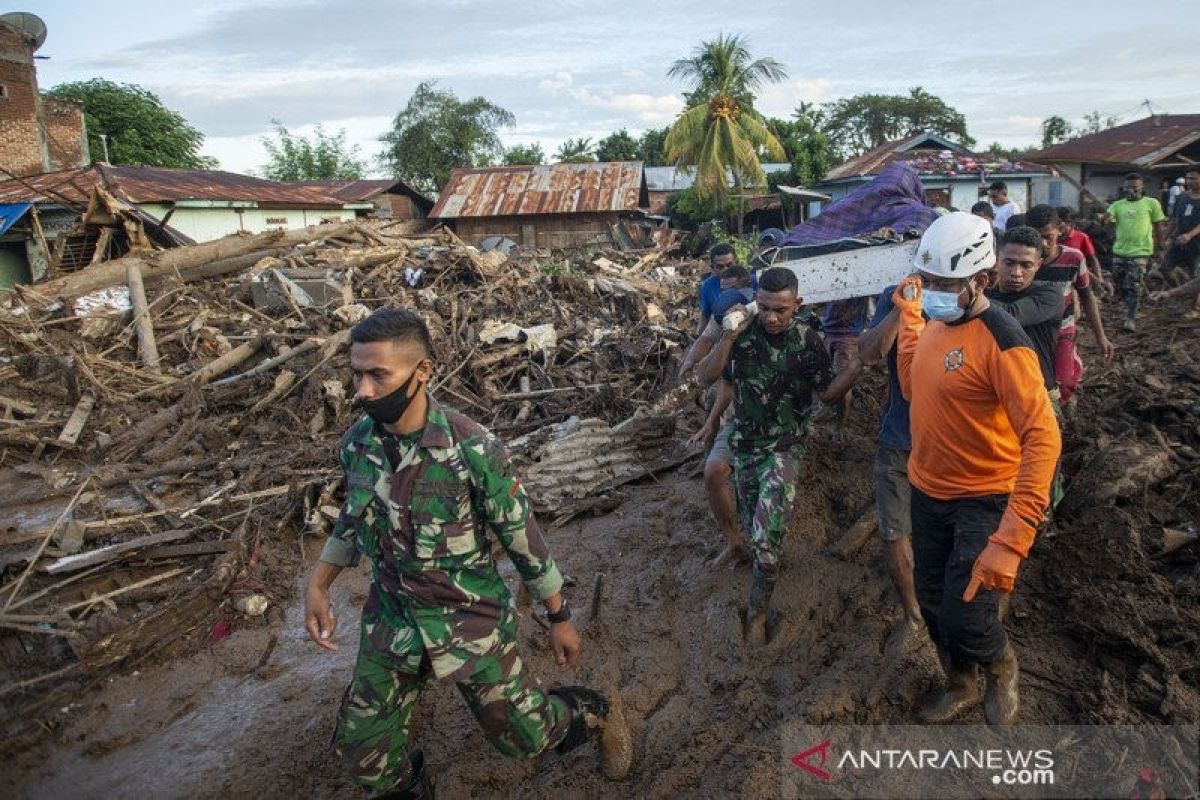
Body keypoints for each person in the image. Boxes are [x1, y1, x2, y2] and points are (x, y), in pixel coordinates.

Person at [305, 308, 626, 797]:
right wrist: (319, 583)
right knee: (363, 755)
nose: (363, 390)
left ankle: (594, 711)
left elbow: (523, 538)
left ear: (422, 372)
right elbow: (353, 522)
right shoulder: (357, 446)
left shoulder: (471, 448)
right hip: (393, 621)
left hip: (469, 620)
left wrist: (559, 615)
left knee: (526, 738)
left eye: (378, 375)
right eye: (356, 374)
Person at [893, 212, 1060, 727]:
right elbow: (912, 388)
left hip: (985, 495)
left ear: (980, 281)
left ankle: (1002, 667)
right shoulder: (936, 320)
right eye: (928, 282)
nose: (933, 292)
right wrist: (909, 321)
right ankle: (960, 681)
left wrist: (1011, 537)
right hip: (929, 491)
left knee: (971, 613)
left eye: (945, 284)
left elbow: (1042, 437)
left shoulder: (1006, 343)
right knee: (933, 603)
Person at [697, 267, 859, 645]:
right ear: (757, 302)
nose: (772, 317)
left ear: (797, 305)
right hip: (747, 444)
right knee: (754, 528)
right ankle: (748, 556)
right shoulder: (744, 335)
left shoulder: (808, 341)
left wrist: (855, 367)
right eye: (766, 307)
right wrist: (728, 336)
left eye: (781, 310)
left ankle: (757, 612)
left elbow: (828, 395)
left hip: (784, 447)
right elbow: (709, 378)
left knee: (767, 541)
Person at [857, 285, 924, 653]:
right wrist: (903, 308)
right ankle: (913, 615)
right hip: (898, 436)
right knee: (894, 530)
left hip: (950, 445)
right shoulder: (897, 294)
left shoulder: (976, 297)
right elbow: (869, 352)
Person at [1026, 204, 1114, 402]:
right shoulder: (1024, 260)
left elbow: (1087, 295)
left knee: (1064, 385)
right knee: (1036, 384)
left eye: (1048, 236)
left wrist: (1100, 336)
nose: (1044, 244)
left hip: (1063, 329)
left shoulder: (1074, 258)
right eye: (1036, 237)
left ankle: (1073, 363)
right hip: (1032, 331)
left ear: (1060, 229)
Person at [1106, 172, 1168, 331]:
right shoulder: (1118, 205)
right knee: (1120, 281)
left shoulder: (1151, 203)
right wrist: (1104, 218)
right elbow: (1108, 218)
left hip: (1140, 251)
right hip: (1119, 251)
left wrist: (1160, 247)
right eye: (1127, 187)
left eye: (1134, 187)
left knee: (1133, 284)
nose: (1131, 190)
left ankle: (1130, 318)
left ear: (1142, 187)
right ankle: (1134, 301)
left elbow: (1158, 226)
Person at [1056, 206, 1110, 295]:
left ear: (1070, 223)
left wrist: (1099, 280)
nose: (1057, 227)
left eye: (1060, 223)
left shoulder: (1081, 237)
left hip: (1078, 281)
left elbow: (1092, 260)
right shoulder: (1052, 239)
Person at [1162, 170, 1200, 281]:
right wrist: (1163, 238)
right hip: (1179, 240)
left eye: (1193, 178)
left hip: (1197, 243)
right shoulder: (1182, 197)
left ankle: (1193, 296)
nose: (1189, 181)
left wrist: (1189, 235)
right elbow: (1174, 220)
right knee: (1165, 268)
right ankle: (1179, 291)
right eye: (1187, 178)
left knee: (1196, 276)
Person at [696, 243, 737, 335]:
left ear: (736, 263)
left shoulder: (750, 281)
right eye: (720, 267)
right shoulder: (708, 286)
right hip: (722, 334)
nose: (726, 270)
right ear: (713, 268)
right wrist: (699, 337)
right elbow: (705, 314)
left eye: (729, 265)